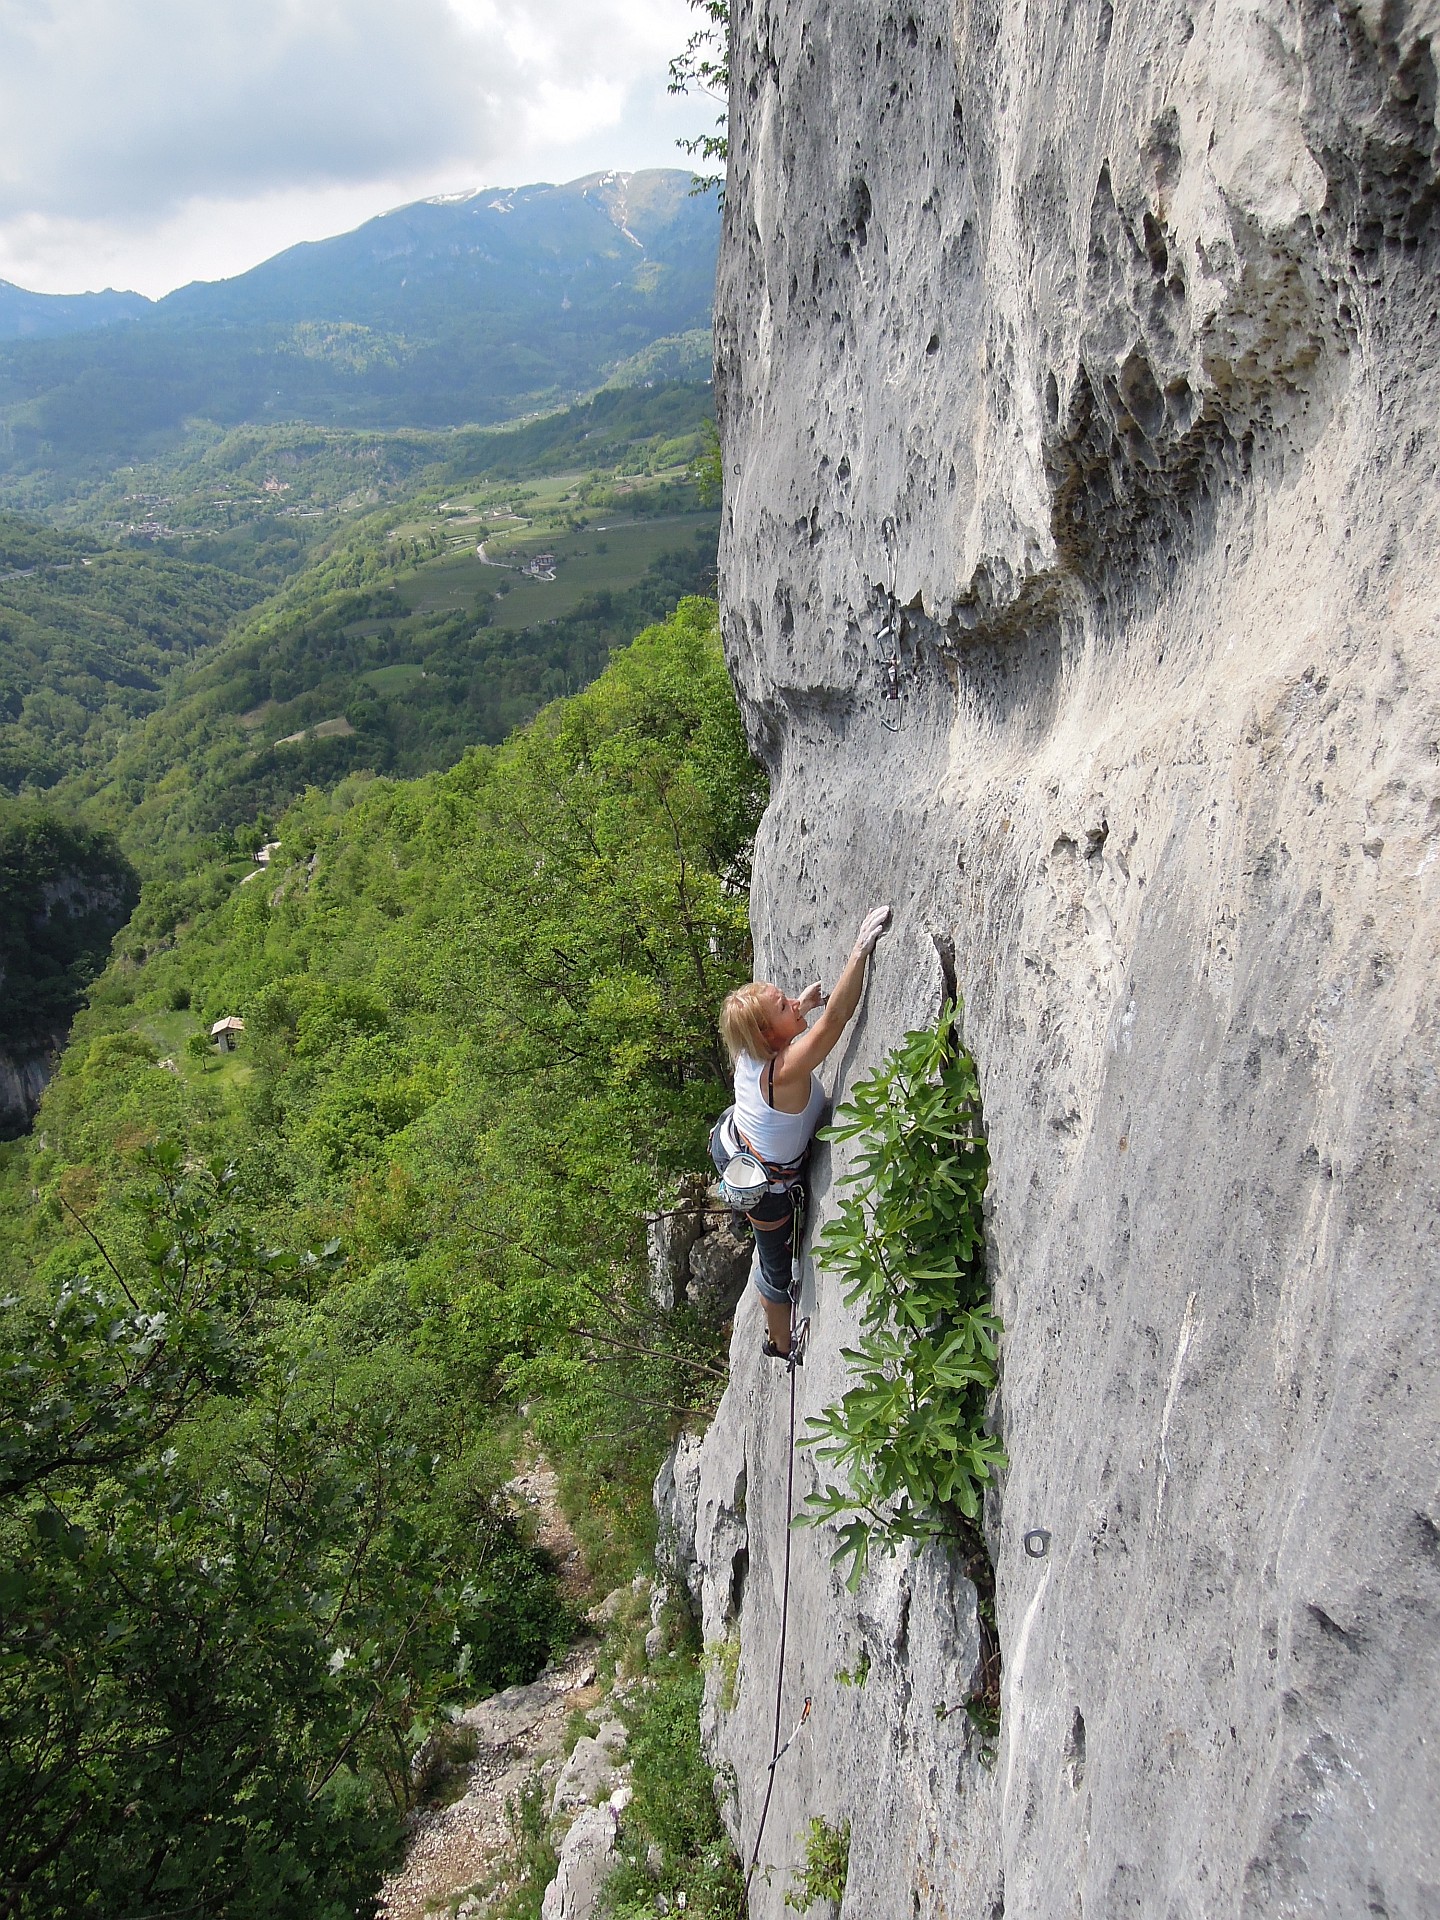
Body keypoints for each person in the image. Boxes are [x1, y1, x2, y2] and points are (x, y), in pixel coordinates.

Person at [714, 905, 892, 1358]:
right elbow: (836, 1021)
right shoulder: (783, 1073)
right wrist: (859, 951)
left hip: (731, 1138)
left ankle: (740, 1207)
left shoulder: (752, 1049)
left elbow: (790, 1025)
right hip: (766, 1183)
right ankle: (778, 1342)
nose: (793, 1001)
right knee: (775, 1268)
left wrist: (799, 1008)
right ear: (766, 1036)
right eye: (783, 1005)